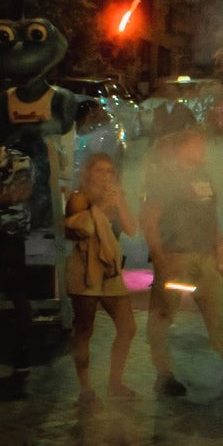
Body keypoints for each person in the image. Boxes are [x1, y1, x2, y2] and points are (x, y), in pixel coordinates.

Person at [141, 128, 223, 393]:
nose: (204, 149)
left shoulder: (203, 175)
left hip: (205, 256)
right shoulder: (165, 178)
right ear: (182, 148)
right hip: (176, 256)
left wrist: (219, 245)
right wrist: (160, 259)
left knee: (218, 310)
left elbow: (211, 213)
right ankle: (163, 374)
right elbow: (149, 220)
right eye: (198, 144)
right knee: (163, 315)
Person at [64, 153, 140, 405]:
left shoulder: (117, 196)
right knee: (85, 329)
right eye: (99, 171)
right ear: (88, 173)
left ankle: (115, 382)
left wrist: (118, 204)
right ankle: (85, 388)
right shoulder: (79, 197)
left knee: (128, 327)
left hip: (109, 270)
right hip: (85, 269)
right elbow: (75, 232)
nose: (105, 176)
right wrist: (103, 209)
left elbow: (131, 229)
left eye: (109, 171)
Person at [0, 138, 36, 401]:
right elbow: (9, 197)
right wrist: (2, 199)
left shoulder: (21, 161)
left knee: (18, 293)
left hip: (10, 235)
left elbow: (20, 194)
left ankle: (22, 354)